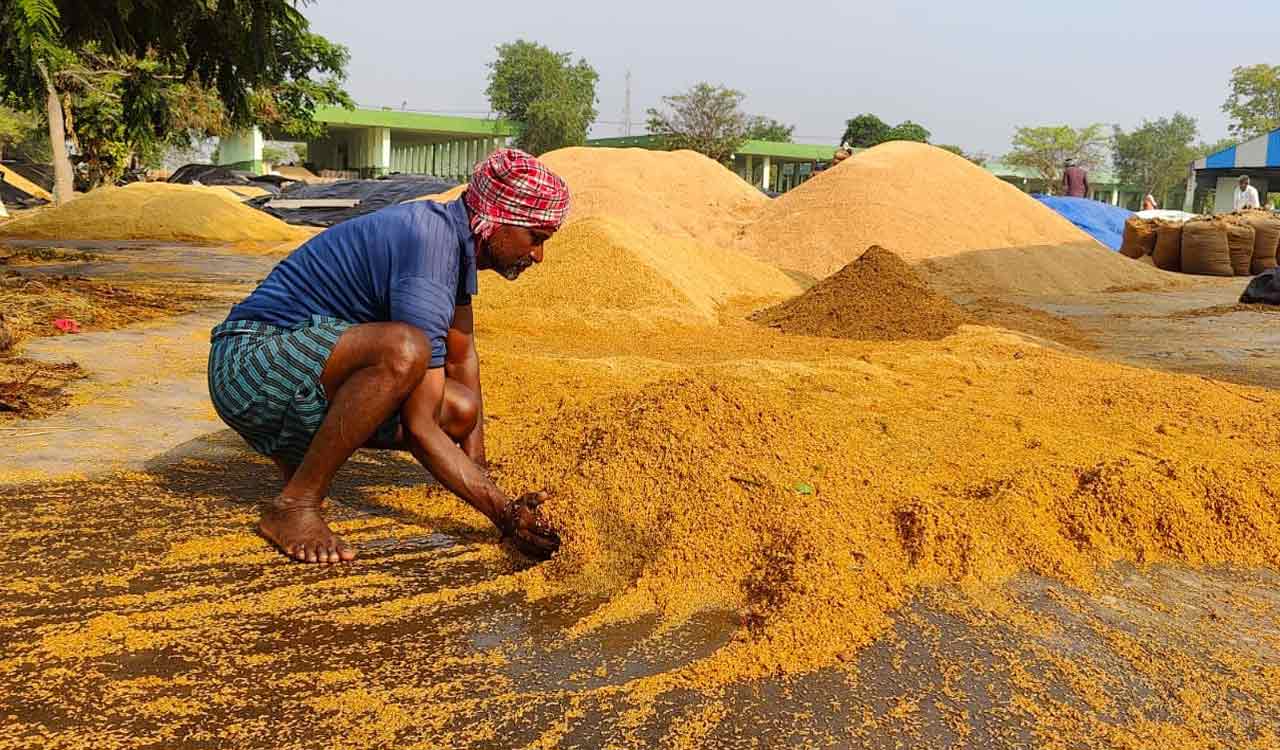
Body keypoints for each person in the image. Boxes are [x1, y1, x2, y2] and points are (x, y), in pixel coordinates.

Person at [207, 148, 569, 564]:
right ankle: (296, 504)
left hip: (306, 362)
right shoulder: (429, 247)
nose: (538, 255)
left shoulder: (453, 243)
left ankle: (297, 458)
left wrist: (479, 472)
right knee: (405, 350)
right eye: (536, 238)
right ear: (496, 222)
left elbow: (462, 357)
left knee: (461, 410)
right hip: (249, 362)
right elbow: (420, 427)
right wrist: (503, 514)